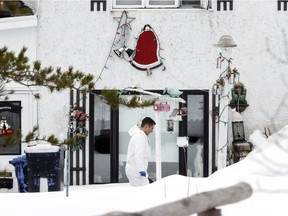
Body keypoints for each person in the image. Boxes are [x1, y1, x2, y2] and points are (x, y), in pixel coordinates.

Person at [125, 117, 156, 186]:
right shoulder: (139, 137)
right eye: (151, 128)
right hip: (136, 170)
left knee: (139, 191)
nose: (152, 131)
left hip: (136, 169)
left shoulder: (141, 137)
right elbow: (138, 155)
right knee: (144, 190)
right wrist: (141, 169)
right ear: (146, 126)